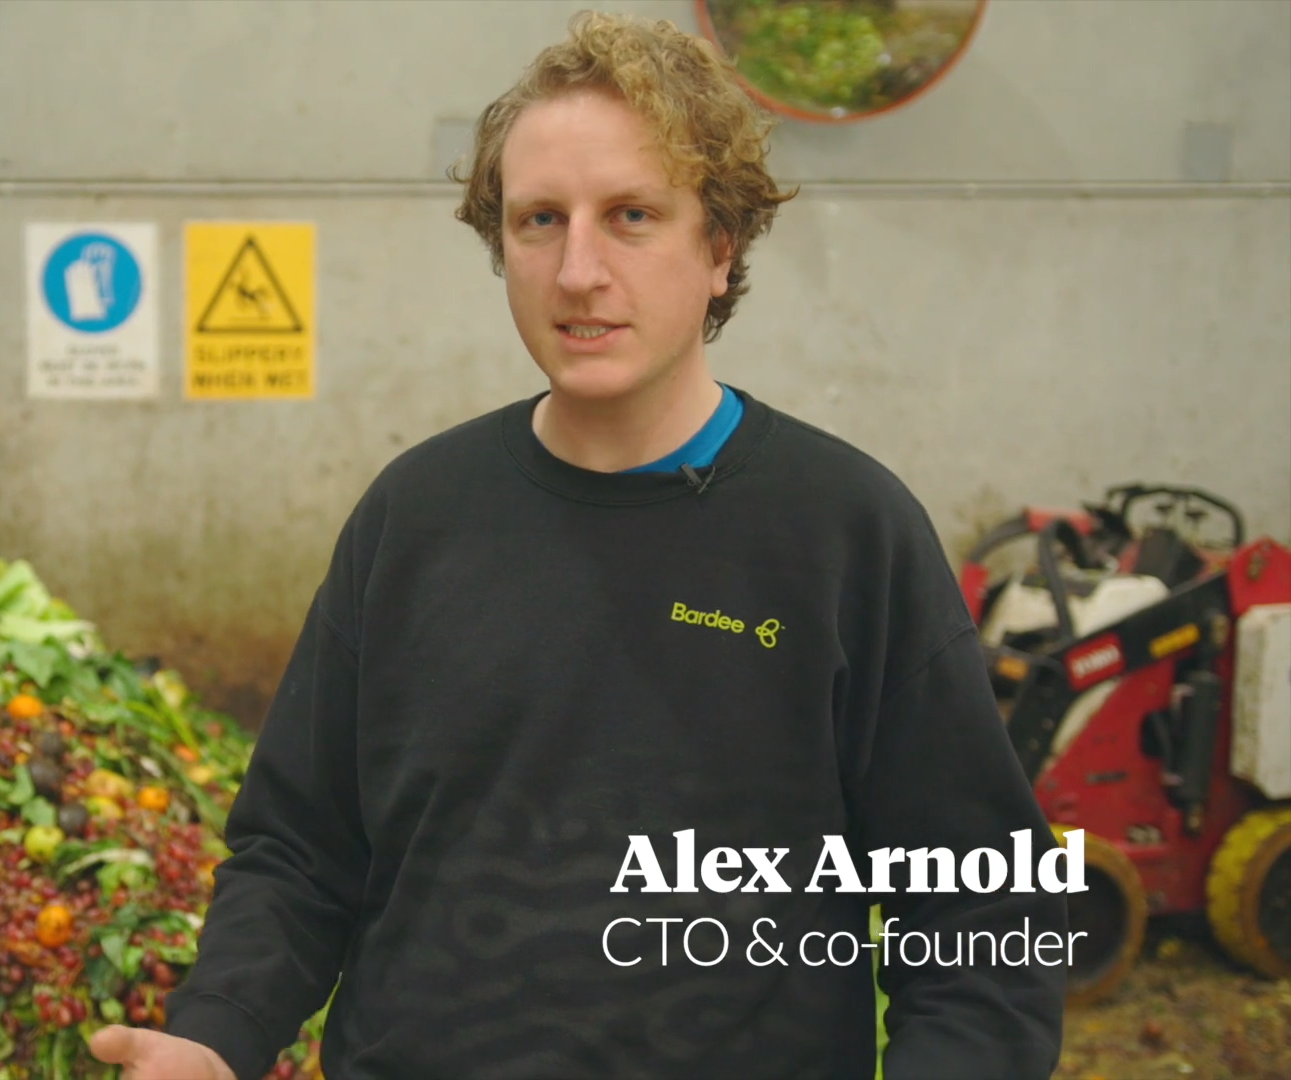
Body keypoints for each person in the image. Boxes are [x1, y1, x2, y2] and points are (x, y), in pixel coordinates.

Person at [92, 11, 1065, 1079]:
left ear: (720, 248)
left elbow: (980, 912)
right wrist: (216, 1034)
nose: (577, 270)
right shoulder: (414, 519)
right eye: (539, 220)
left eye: (633, 216)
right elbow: (301, 850)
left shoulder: (844, 532)